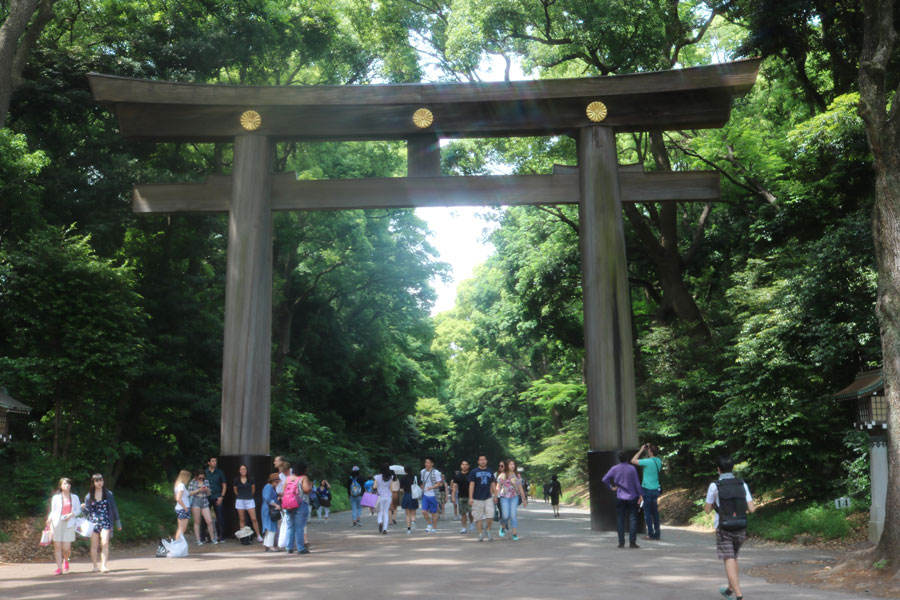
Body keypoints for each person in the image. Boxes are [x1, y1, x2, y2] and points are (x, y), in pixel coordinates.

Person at [704, 455, 756, 600]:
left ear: (718, 469)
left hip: (724, 526)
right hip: (740, 526)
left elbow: (707, 509)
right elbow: (752, 508)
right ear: (732, 468)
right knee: (733, 558)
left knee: (729, 558)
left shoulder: (715, 485)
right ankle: (729, 590)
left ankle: (739, 596)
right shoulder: (742, 484)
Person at [602, 450, 643, 549]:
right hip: (632, 497)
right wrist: (641, 495)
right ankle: (632, 543)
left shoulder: (614, 468)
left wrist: (611, 487)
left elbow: (604, 479)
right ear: (627, 458)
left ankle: (621, 543)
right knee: (632, 519)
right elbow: (637, 483)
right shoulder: (632, 469)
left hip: (620, 496)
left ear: (618, 459)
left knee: (620, 519)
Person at [81, 473, 121, 573]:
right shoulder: (89, 496)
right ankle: (95, 566)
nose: (100, 483)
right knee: (94, 545)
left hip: (106, 521)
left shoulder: (108, 494)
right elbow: (86, 512)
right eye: (97, 481)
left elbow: (113, 508)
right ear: (93, 482)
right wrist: (82, 508)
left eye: (101, 480)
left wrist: (118, 522)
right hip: (93, 523)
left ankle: (103, 566)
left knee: (105, 543)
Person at [47, 477, 81, 575]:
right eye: (65, 484)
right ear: (61, 486)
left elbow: (78, 510)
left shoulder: (74, 497)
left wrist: (71, 514)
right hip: (57, 523)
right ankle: (59, 568)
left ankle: (66, 560)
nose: (67, 486)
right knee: (57, 547)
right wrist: (49, 519)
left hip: (69, 523)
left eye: (69, 484)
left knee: (66, 548)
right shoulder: (56, 498)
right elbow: (53, 511)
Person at [632, 443, 663, 540]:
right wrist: (648, 450)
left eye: (649, 450)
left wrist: (641, 450)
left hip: (647, 490)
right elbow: (649, 459)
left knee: (648, 513)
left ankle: (650, 534)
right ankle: (657, 533)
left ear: (650, 451)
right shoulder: (658, 461)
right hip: (655, 490)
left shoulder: (648, 462)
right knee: (655, 513)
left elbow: (633, 460)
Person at [283, 462, 312, 554]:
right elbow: (306, 490)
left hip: (289, 504)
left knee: (290, 527)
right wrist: (311, 485)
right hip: (301, 504)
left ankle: (289, 547)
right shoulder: (304, 478)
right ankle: (300, 548)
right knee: (299, 527)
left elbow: (284, 492)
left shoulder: (288, 479)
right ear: (304, 470)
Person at [467, 453, 497, 542]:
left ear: (486, 461)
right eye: (481, 460)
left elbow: (493, 484)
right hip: (477, 498)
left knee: (491, 515)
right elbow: (471, 484)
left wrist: (495, 495)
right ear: (478, 461)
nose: (483, 461)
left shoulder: (490, 471)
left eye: (484, 459)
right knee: (478, 517)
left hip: (488, 497)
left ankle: (488, 529)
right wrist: (470, 497)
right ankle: (480, 534)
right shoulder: (474, 472)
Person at [497, 458, 528, 540]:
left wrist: (524, 499)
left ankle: (514, 534)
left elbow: (520, 488)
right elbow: (498, 487)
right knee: (505, 516)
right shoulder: (502, 475)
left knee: (513, 515)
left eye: (513, 464)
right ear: (507, 465)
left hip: (514, 497)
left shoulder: (517, 475)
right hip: (504, 497)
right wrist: (495, 496)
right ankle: (502, 526)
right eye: (510, 464)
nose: (512, 466)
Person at [233, 464, 263, 542]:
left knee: (254, 519)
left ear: (246, 470)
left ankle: (258, 535)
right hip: (240, 500)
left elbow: (253, 489)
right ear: (239, 471)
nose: (243, 471)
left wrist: (248, 496)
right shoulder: (236, 480)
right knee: (242, 519)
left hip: (249, 500)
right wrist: (240, 496)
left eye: (245, 469)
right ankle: (242, 537)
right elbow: (235, 490)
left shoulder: (251, 479)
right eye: (242, 469)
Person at [187, 469, 216, 545]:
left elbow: (209, 493)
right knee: (197, 521)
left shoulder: (206, 481)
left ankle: (213, 538)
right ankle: (198, 539)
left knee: (209, 521)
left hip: (204, 501)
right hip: (196, 501)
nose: (201, 478)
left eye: (202, 476)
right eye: (200, 476)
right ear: (196, 476)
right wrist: (198, 490)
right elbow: (189, 493)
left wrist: (207, 490)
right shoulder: (192, 482)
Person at [203, 457, 226, 543]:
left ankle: (221, 536)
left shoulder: (219, 472)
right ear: (209, 462)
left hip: (217, 496)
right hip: (207, 498)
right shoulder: (205, 472)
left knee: (219, 517)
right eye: (213, 461)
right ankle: (206, 536)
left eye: (215, 461)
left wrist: (222, 496)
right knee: (205, 518)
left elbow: (224, 484)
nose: (215, 462)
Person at [420, 457, 443, 533]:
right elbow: (423, 482)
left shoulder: (436, 472)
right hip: (425, 494)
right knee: (423, 511)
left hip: (434, 495)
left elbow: (439, 483)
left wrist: (431, 487)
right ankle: (429, 524)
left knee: (434, 513)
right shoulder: (422, 472)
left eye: (428, 462)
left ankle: (434, 528)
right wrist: (422, 486)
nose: (426, 464)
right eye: (425, 462)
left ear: (432, 464)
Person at [261, 472, 282, 552]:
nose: (277, 484)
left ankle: (267, 544)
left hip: (268, 509)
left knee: (269, 527)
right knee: (271, 527)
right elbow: (267, 498)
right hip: (269, 509)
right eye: (277, 482)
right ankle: (270, 545)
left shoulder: (269, 487)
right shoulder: (269, 487)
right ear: (274, 481)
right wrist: (276, 505)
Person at [451, 460, 473, 534]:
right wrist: (453, 497)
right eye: (463, 464)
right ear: (461, 466)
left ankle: (471, 523)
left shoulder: (471, 475)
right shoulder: (457, 476)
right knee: (463, 513)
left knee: (470, 512)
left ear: (468, 466)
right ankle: (464, 527)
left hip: (470, 497)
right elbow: (454, 486)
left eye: (466, 464)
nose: (464, 466)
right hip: (461, 497)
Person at [373, 463, 394, 534]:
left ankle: (380, 522)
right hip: (388, 496)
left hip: (380, 496)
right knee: (386, 512)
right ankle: (385, 529)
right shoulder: (391, 477)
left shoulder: (377, 477)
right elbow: (391, 488)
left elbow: (374, 487)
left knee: (379, 511)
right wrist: (391, 497)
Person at [398, 465, 419, 534]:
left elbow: (401, 489)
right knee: (413, 513)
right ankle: (413, 521)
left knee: (407, 514)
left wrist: (403, 491)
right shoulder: (415, 477)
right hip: (414, 495)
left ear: (405, 470)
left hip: (406, 495)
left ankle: (409, 529)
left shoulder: (403, 478)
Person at [173, 470, 192, 542]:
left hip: (180, 508)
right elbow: (178, 498)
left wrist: (198, 490)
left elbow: (176, 497)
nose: (189, 479)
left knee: (180, 528)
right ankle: (177, 545)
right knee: (182, 529)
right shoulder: (181, 485)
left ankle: (177, 544)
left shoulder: (177, 485)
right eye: (188, 477)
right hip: (183, 508)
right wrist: (185, 508)